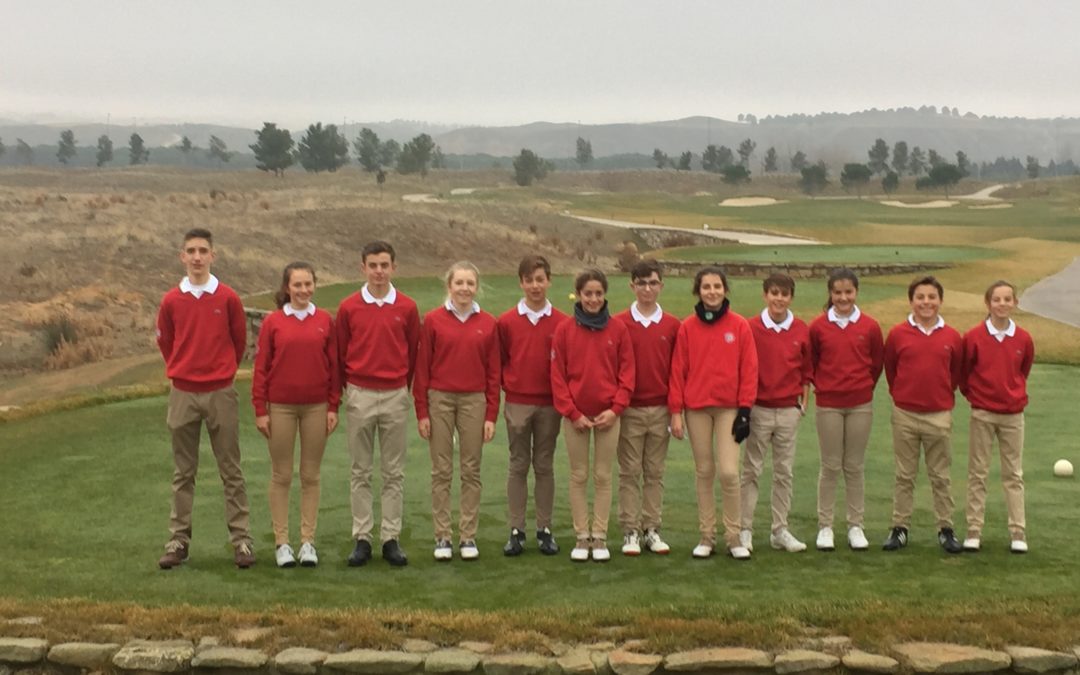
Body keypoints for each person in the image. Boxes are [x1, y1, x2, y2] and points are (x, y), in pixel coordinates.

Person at [155, 228, 253, 569]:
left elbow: (238, 342)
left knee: (231, 470)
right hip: (183, 392)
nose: (197, 257)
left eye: (203, 251)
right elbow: (166, 342)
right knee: (184, 471)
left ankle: (241, 540)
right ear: (182, 256)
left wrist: (220, 371)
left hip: (220, 392)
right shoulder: (171, 300)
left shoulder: (227, 298)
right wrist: (183, 370)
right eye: (191, 251)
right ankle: (178, 540)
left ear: (213, 255)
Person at [336, 240, 420, 568]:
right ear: (363, 267)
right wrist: (348, 392)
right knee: (360, 470)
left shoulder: (408, 307)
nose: (379, 271)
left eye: (385, 265)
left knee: (393, 472)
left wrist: (403, 387)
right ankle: (362, 537)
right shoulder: (349, 307)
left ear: (394, 267)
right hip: (360, 393)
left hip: (396, 393)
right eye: (373, 265)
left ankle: (390, 537)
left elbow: (413, 351)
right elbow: (341, 351)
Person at [252, 262, 340, 568]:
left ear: (314, 285)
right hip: (281, 408)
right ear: (287, 288)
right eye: (297, 285)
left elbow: (334, 368)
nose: (303, 290)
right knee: (282, 475)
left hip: (316, 406)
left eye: (308, 284)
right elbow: (261, 368)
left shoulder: (325, 321)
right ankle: (282, 543)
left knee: (310, 476)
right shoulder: (274, 323)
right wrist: (260, 409)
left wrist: (333, 405)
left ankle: (307, 543)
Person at [669, 266, 757, 560]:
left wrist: (745, 410)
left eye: (717, 286)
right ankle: (707, 535)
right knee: (704, 471)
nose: (712, 292)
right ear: (698, 291)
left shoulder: (740, 326)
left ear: (725, 289)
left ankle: (733, 536)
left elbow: (749, 370)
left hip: (729, 409)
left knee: (730, 473)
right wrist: (676, 412)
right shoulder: (687, 327)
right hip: (696, 409)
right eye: (706, 287)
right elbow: (678, 371)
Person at [415, 261, 500, 561]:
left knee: (471, 470)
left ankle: (467, 536)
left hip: (474, 400)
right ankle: (442, 536)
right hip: (440, 398)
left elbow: (494, 373)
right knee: (441, 471)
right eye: (459, 283)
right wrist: (422, 411)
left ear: (477, 287)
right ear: (449, 286)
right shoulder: (434, 320)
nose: (464, 288)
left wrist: (491, 415)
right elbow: (422, 369)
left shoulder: (489, 323)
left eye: (470, 283)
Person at [551, 268, 635, 562]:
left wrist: (615, 410)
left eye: (599, 293)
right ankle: (581, 536)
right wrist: (572, 413)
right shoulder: (564, 329)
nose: (593, 299)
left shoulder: (618, 330)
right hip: (575, 417)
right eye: (588, 293)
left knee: (602, 475)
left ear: (605, 294)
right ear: (579, 294)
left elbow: (627, 376)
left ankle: (599, 536)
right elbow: (558, 376)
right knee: (578, 475)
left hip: (608, 417)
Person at [882, 276, 964, 553]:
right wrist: (903, 395)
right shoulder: (897, 334)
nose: (926, 302)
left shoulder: (952, 336)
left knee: (940, 476)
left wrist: (939, 396)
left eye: (931, 297)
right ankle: (900, 528)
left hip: (938, 414)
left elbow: (955, 373)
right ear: (911, 301)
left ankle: (946, 528)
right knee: (905, 475)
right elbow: (891, 371)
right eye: (920, 297)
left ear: (940, 300)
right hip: (905, 413)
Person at [497, 254, 568, 556]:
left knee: (544, 465)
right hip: (517, 402)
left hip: (550, 405)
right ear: (521, 283)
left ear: (549, 281)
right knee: (517, 465)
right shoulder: (506, 321)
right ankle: (517, 530)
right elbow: (499, 362)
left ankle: (544, 528)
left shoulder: (563, 322)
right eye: (529, 280)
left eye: (540, 279)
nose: (535, 286)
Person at [809, 268, 883, 552]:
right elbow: (812, 362)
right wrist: (827, 385)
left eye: (848, 292)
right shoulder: (818, 327)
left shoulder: (870, 326)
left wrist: (862, 386)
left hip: (860, 403)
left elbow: (876, 364)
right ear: (830, 294)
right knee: (830, 466)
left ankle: (855, 525)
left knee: (854, 466)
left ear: (856, 293)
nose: (843, 298)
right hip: (828, 404)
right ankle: (825, 526)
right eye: (838, 293)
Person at [960, 280, 1034, 554]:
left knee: (1013, 474)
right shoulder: (974, 336)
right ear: (988, 303)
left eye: (1007, 299)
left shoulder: (1023, 338)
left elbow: (1022, 369)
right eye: (997, 299)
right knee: (978, 473)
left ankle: (1018, 531)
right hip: (982, 412)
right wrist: (977, 399)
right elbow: (964, 374)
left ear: (1015, 303)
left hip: (1013, 415)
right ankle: (973, 530)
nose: (1002, 304)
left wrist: (1011, 395)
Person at [740, 273, 812, 554]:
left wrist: (802, 403)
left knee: (784, 472)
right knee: (752, 470)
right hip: (759, 408)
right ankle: (745, 530)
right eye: (774, 293)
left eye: (784, 294)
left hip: (788, 410)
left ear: (791, 297)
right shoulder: (751, 327)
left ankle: (779, 530)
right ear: (765, 295)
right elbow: (744, 367)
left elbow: (806, 370)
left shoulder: (801, 329)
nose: (779, 298)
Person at [614, 259, 679, 556]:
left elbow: (678, 372)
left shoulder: (673, 325)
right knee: (629, 472)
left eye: (653, 283)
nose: (647, 289)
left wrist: (676, 410)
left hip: (661, 409)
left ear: (661, 286)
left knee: (654, 472)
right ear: (632, 286)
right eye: (641, 283)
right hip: (629, 410)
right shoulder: (619, 324)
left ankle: (651, 529)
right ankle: (630, 530)